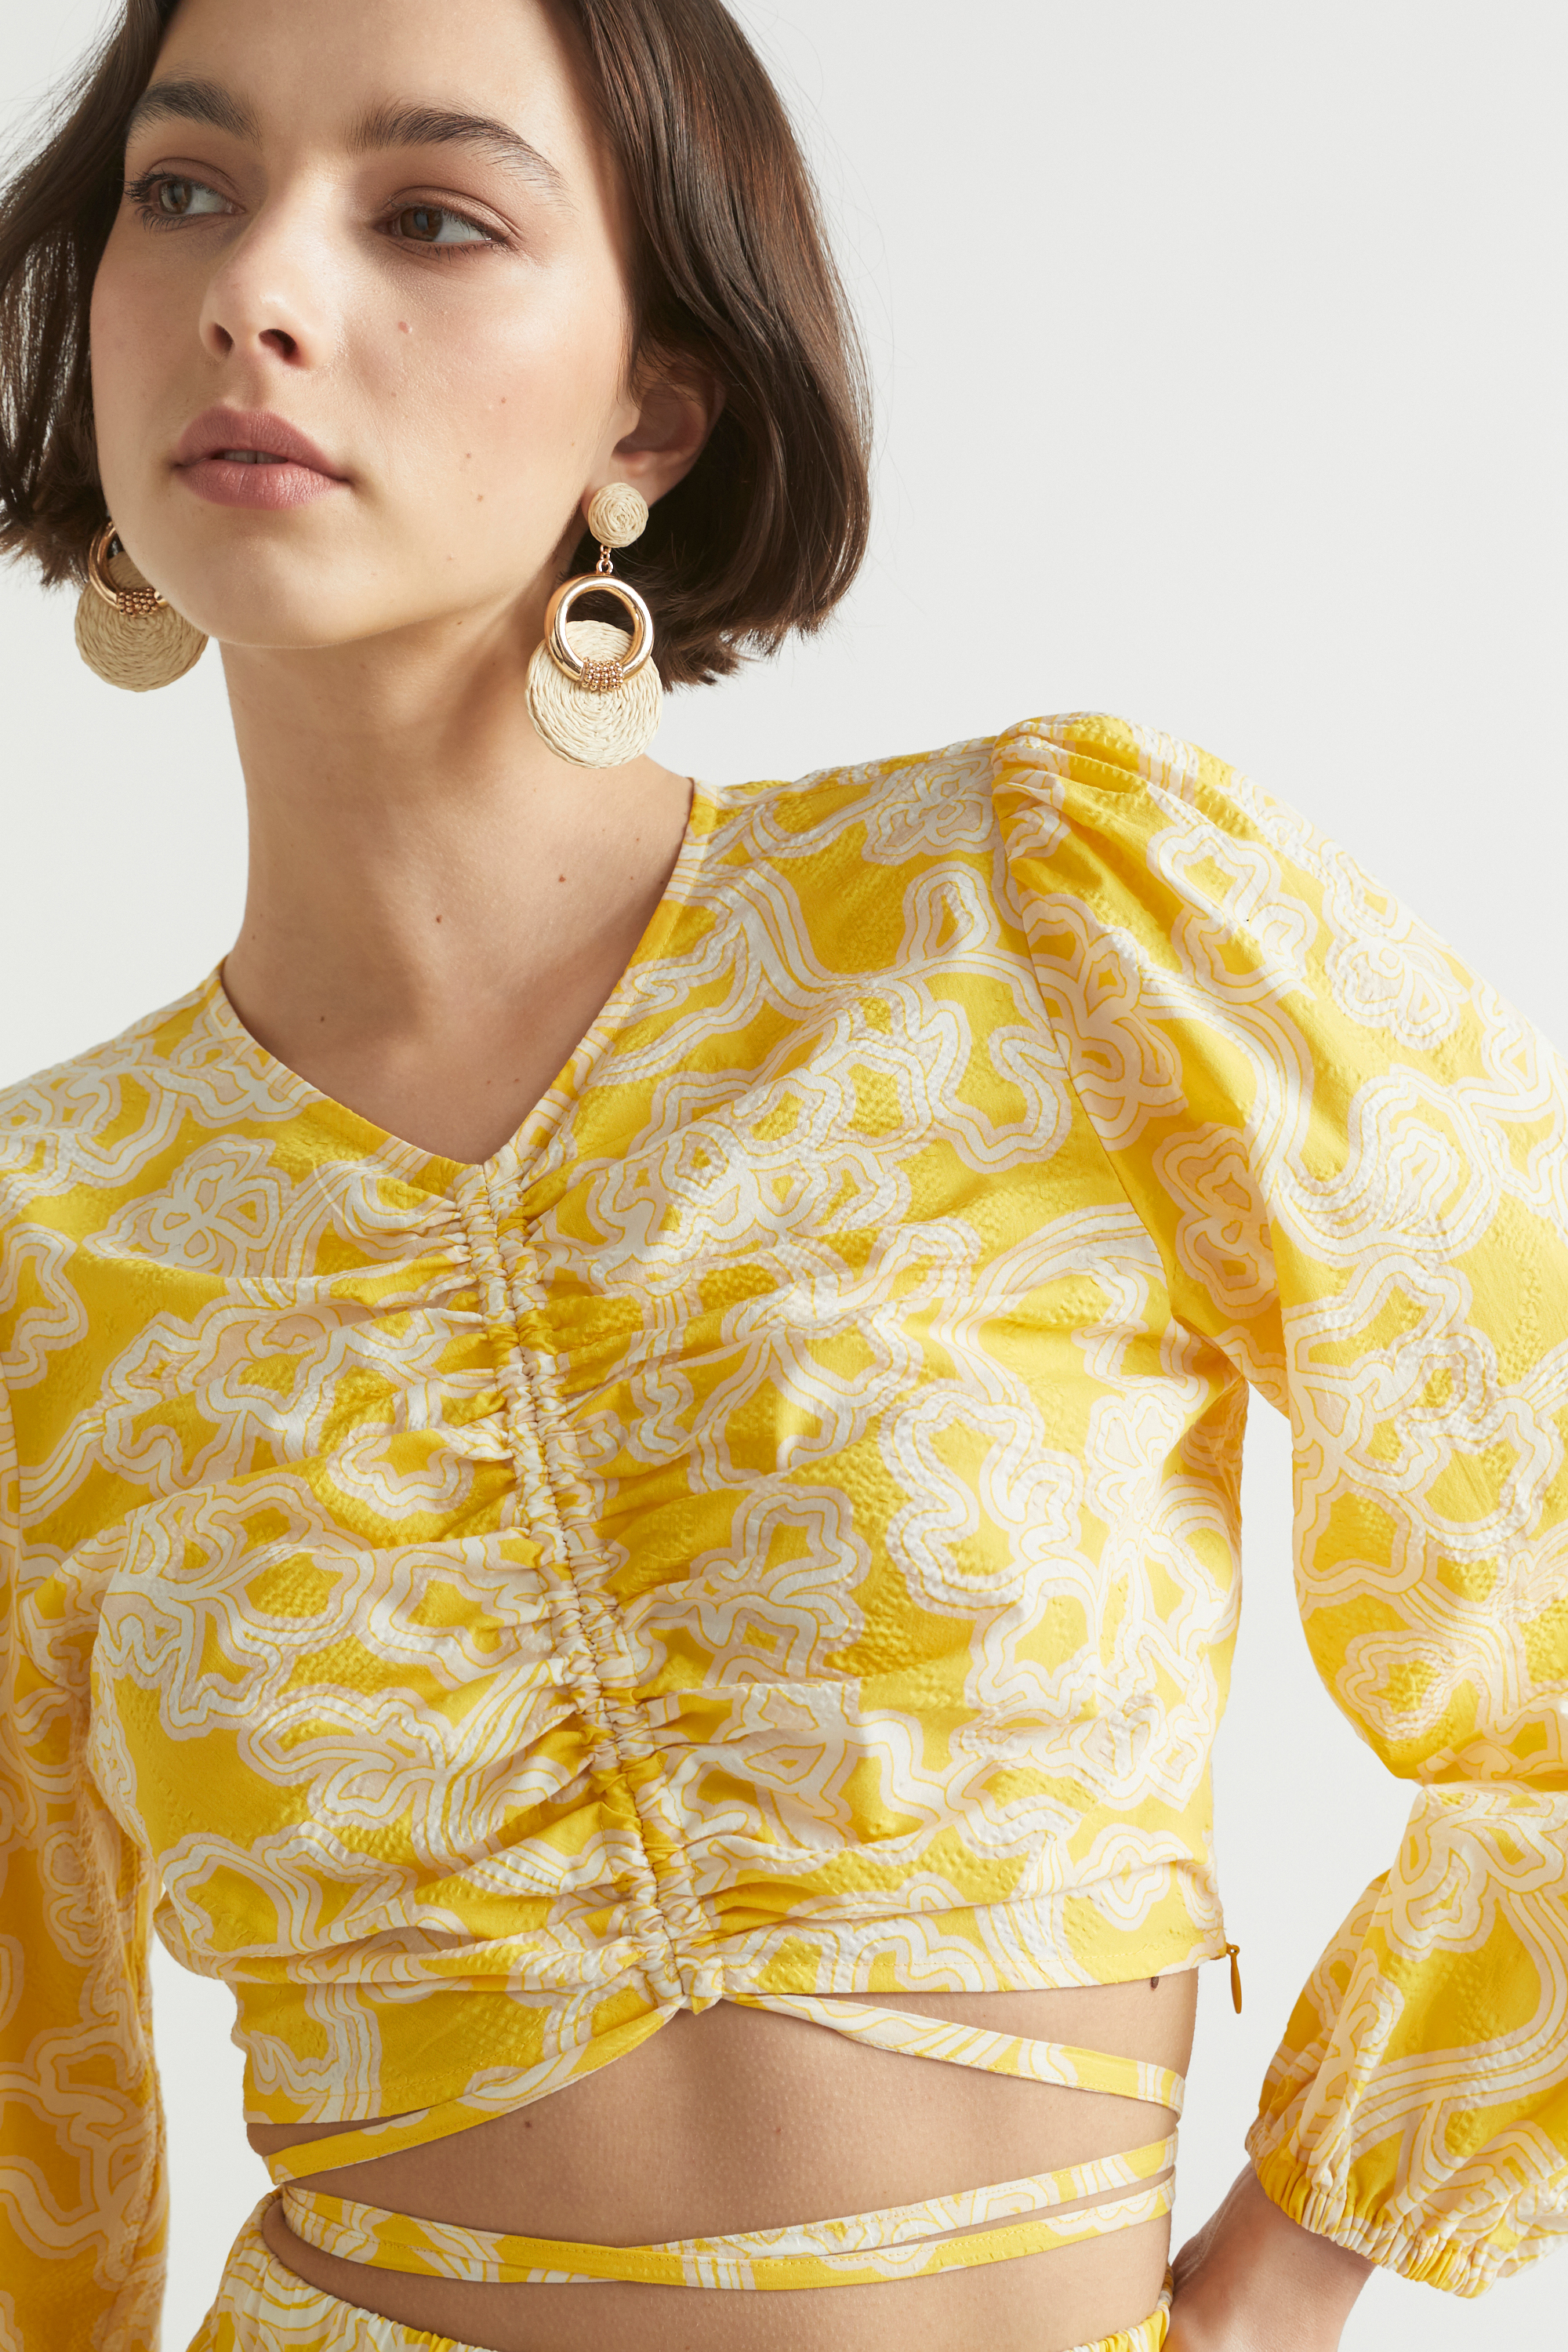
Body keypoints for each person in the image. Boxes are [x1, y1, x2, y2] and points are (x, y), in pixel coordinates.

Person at [0, 2, 1564, 2349]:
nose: (255, 291)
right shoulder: (48, 1241)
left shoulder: (1041, 919)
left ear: (652, 411)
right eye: (184, 191)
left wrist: (1283, 2280)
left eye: (430, 214)